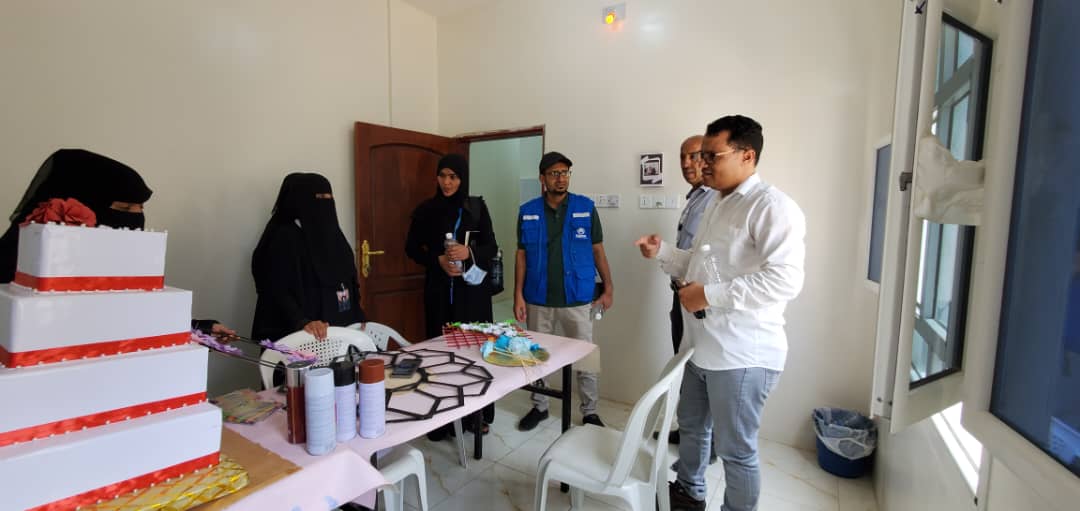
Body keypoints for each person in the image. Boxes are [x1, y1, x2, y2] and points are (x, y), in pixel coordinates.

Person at [635, 115, 805, 511]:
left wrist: (708, 296)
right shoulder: (715, 201)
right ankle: (690, 491)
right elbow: (698, 261)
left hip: (742, 355)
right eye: (701, 155)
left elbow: (785, 281)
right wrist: (661, 252)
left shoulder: (772, 208)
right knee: (693, 428)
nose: (703, 164)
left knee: (737, 452)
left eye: (713, 155)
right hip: (701, 347)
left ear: (748, 155)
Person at [0, 148, 234, 337]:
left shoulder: (113, 259)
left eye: (140, 209)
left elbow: (127, 314)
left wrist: (196, 327)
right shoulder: (16, 264)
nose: (135, 218)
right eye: (123, 208)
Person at [515, 151, 614, 431]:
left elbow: (598, 250)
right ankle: (540, 406)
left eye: (565, 172)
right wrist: (518, 295)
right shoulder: (528, 211)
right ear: (542, 178)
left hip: (578, 297)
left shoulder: (585, 207)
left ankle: (590, 411)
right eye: (554, 173)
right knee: (536, 356)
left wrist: (609, 286)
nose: (560, 178)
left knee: (586, 357)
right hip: (538, 297)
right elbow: (521, 255)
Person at [405, 154, 498, 437]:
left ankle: (475, 416)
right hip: (439, 294)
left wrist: (468, 252)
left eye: (453, 177)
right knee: (440, 356)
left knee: (471, 356)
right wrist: (439, 260)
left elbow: (492, 246)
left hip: (472, 296)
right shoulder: (425, 211)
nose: (447, 182)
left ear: (463, 179)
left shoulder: (476, 208)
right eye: (442, 176)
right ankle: (442, 420)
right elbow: (411, 248)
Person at [251, 173, 366, 345]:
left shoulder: (331, 232)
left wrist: (358, 313)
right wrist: (301, 321)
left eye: (329, 197)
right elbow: (275, 290)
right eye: (319, 198)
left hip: (339, 330)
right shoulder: (282, 236)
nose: (326, 203)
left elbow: (349, 276)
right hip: (301, 335)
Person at [663, 135, 717, 446]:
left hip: (701, 300)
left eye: (694, 156)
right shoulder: (695, 198)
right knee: (685, 364)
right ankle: (689, 433)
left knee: (701, 368)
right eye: (682, 157)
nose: (686, 164)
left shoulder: (715, 200)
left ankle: (704, 442)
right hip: (681, 295)